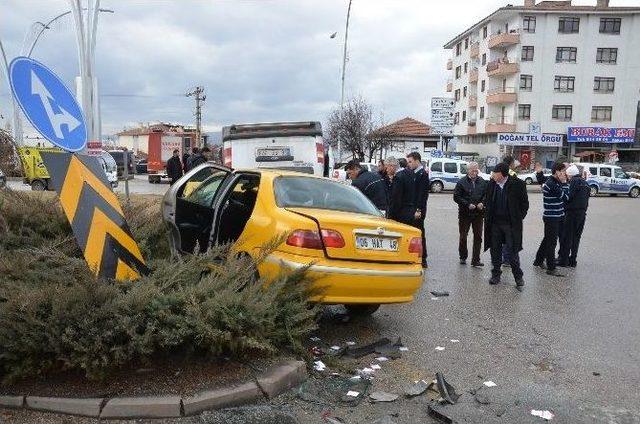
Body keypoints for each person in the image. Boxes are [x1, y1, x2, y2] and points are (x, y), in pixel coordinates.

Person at [483, 162, 529, 291]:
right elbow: (487, 200)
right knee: (495, 250)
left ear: (503, 175)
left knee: (512, 251)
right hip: (495, 224)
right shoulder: (492, 184)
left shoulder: (517, 184)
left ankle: (518, 277)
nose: (492, 175)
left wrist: (518, 218)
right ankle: (496, 275)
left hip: (510, 224)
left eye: (495, 173)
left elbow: (524, 204)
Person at [534, 162, 569, 277]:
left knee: (547, 240)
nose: (565, 174)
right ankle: (551, 268)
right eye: (563, 171)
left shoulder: (554, 181)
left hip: (558, 216)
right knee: (551, 243)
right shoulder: (552, 183)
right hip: (552, 217)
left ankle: (538, 260)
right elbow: (566, 197)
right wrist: (564, 183)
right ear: (557, 172)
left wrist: (563, 182)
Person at [454, 161, 488, 267]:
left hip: (478, 213)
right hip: (465, 213)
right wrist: (467, 204)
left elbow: (487, 195)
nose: (474, 172)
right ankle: (463, 256)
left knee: (478, 237)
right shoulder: (461, 182)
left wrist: (483, 203)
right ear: (468, 170)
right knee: (463, 236)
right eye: (472, 170)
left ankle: (476, 260)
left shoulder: (482, 182)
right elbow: (456, 197)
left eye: (476, 170)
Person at [557, 164, 590, 267]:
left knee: (567, 237)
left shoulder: (573, 182)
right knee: (576, 237)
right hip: (582, 214)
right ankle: (573, 260)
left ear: (569, 175)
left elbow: (568, 196)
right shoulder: (586, 183)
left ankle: (563, 260)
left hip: (572, 213)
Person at [406, 152, 429, 268]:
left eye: (410, 162)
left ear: (417, 161)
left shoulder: (422, 174)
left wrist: (419, 210)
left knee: (420, 233)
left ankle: (423, 258)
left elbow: (422, 195)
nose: (408, 164)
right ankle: (415, 256)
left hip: (418, 210)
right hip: (412, 208)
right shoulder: (413, 173)